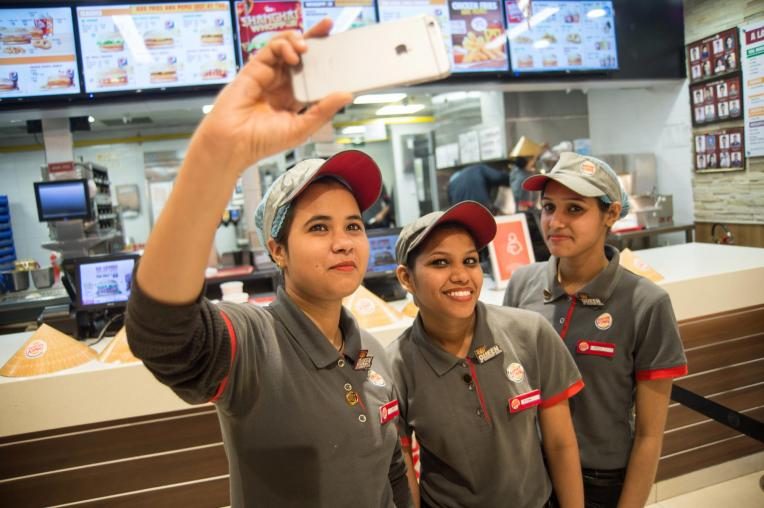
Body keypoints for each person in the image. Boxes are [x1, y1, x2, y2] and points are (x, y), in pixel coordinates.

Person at [126, 21, 411, 507]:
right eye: (318, 228)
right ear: (277, 250)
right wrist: (220, 154)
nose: (343, 242)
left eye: (354, 226)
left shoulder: (372, 353)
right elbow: (164, 334)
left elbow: (393, 472)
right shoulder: (254, 344)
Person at [503, 152, 689, 508]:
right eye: (548, 207)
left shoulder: (646, 303)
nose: (555, 222)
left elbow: (650, 434)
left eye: (574, 209)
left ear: (612, 214)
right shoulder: (523, 285)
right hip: (528, 476)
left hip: (600, 483)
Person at [387, 200, 585, 508]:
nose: (461, 276)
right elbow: (403, 475)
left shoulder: (531, 333)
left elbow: (561, 444)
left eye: (470, 261)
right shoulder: (395, 366)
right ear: (406, 278)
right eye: (440, 263)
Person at [446, 162, 510, 213]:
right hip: (482, 209)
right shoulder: (478, 169)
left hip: (462, 217)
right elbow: (498, 177)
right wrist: (512, 179)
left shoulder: (451, 186)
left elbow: (451, 205)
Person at [509, 136, 545, 211]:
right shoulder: (525, 179)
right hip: (528, 216)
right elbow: (524, 207)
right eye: (533, 158)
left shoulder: (516, 171)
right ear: (528, 160)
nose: (535, 160)